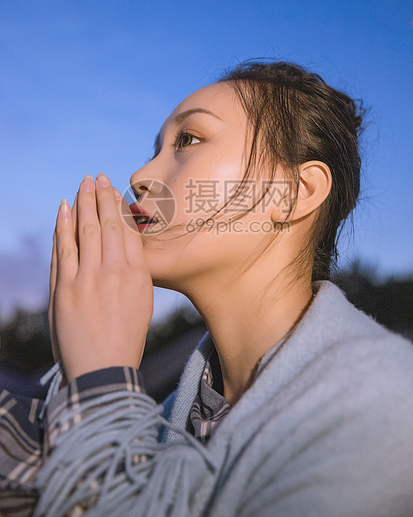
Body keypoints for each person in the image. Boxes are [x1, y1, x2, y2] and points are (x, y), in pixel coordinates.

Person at [1, 61, 413, 517]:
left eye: (189, 140)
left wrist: (101, 381)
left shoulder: (385, 403)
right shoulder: (175, 417)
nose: (140, 174)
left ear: (294, 192)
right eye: (156, 148)